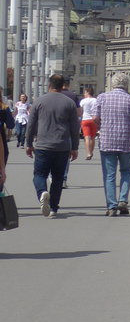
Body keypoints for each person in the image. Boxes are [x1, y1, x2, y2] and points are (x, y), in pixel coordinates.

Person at [25, 74, 80, 218]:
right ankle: (54, 208)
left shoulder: (39, 101)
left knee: (39, 175)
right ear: (62, 85)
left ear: (49, 84)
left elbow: (30, 125)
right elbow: (75, 128)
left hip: (43, 146)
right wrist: (75, 147)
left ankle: (42, 192)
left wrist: (28, 144)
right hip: (62, 147)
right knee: (58, 178)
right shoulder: (69, 103)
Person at [95, 71, 130, 216]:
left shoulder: (102, 98)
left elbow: (96, 119)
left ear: (112, 84)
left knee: (109, 175)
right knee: (126, 172)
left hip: (107, 142)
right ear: (126, 85)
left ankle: (111, 206)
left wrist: (102, 126)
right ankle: (123, 200)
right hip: (125, 142)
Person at [59, 76, 81, 188]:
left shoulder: (52, 95)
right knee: (66, 155)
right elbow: (79, 113)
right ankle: (63, 179)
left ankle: (53, 176)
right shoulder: (73, 96)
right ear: (68, 85)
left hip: (52, 130)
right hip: (68, 129)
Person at [79, 86, 99, 159]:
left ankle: (88, 153)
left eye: (84, 92)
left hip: (85, 120)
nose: (84, 94)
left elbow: (80, 111)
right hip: (93, 120)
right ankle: (91, 151)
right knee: (93, 137)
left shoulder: (83, 101)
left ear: (88, 92)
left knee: (86, 137)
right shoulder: (95, 100)